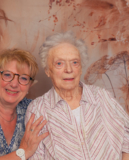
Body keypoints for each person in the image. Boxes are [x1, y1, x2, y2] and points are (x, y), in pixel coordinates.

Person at [25, 31, 129, 160]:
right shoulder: (38, 109)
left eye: (74, 62)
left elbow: (127, 137)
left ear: (80, 68)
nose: (68, 69)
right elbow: (35, 156)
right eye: (59, 63)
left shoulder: (101, 96)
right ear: (47, 70)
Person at [0, 49, 49, 160]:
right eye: (7, 75)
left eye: (24, 78)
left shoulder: (34, 110)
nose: (14, 84)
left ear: (29, 86)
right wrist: (23, 152)